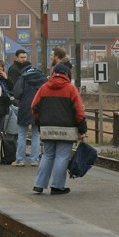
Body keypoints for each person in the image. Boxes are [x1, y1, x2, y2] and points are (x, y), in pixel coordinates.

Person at [31, 63, 87, 194]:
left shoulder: (44, 88)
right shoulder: (71, 89)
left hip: (47, 127)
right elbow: (79, 111)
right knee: (62, 157)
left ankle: (39, 184)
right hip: (66, 129)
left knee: (47, 155)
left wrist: (40, 123)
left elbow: (34, 107)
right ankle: (57, 186)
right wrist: (82, 128)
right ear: (67, 74)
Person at [12, 64, 47, 166]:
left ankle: (20, 160)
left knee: (22, 134)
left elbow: (17, 93)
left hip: (24, 108)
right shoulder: (43, 78)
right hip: (38, 108)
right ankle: (34, 160)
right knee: (36, 134)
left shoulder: (23, 78)